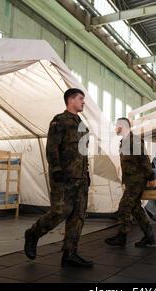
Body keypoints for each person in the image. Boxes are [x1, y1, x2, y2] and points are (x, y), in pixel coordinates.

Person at [24, 88, 93, 267]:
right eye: (81, 99)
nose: (83, 102)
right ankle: (33, 234)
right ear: (70, 100)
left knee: (78, 216)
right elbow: (52, 148)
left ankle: (70, 253)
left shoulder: (82, 125)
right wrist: (56, 169)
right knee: (60, 212)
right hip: (63, 177)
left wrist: (86, 174)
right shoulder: (59, 121)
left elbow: (83, 153)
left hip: (80, 179)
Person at [105, 117, 156, 247]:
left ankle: (122, 237)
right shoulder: (125, 142)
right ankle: (149, 236)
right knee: (135, 208)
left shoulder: (135, 141)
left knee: (124, 206)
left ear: (122, 126)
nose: (115, 128)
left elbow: (144, 159)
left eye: (117, 126)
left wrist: (151, 177)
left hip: (137, 180)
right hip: (131, 180)